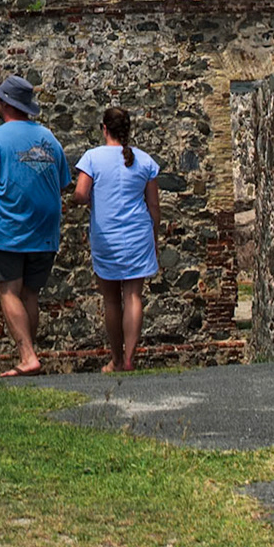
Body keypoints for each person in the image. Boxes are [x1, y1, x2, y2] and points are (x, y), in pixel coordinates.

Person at [0, 74, 68, 378]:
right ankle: (30, 355)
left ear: (4, 104)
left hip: (8, 227)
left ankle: (28, 356)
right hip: (45, 230)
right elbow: (61, 184)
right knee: (30, 294)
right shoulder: (50, 140)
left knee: (7, 291)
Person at [72, 106, 161, 373]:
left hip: (106, 234)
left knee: (111, 300)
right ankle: (131, 358)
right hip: (138, 233)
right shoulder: (145, 161)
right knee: (134, 295)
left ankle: (116, 358)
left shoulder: (92, 157)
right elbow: (154, 206)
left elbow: (80, 193)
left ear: (104, 128)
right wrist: (154, 235)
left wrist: (86, 200)